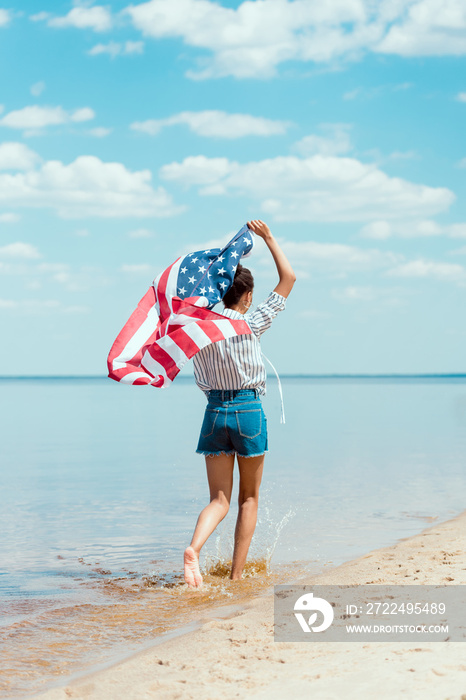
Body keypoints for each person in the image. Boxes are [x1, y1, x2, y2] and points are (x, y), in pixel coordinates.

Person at [183, 219, 296, 588]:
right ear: (247, 297)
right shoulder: (252, 322)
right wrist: (268, 238)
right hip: (248, 412)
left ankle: (194, 549)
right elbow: (289, 279)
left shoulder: (199, 329)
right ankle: (235, 577)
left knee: (219, 500)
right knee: (249, 498)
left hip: (214, 413)